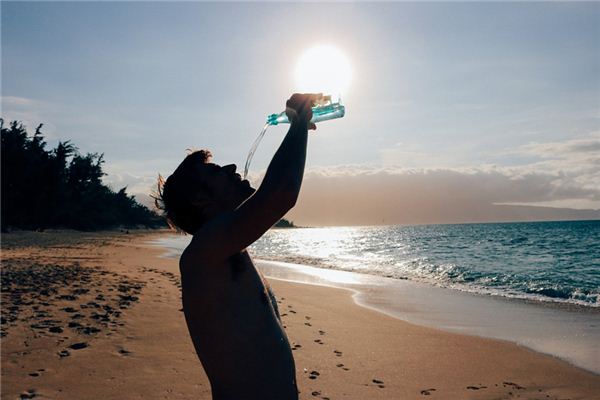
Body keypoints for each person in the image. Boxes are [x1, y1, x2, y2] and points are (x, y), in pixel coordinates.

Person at [156, 93, 321, 400]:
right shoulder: (203, 254)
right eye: (216, 171)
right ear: (201, 200)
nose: (232, 166)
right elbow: (280, 195)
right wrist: (297, 124)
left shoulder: (230, 250)